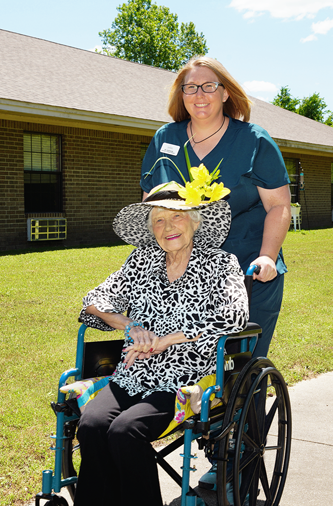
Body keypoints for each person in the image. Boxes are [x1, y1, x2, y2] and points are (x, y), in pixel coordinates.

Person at [74, 182, 249, 506]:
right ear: (150, 229)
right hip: (132, 373)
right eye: (158, 220)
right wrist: (130, 325)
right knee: (92, 425)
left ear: (195, 220)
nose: (168, 227)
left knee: (126, 431)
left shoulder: (221, 263)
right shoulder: (141, 261)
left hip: (183, 377)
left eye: (176, 216)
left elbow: (235, 314)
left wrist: (169, 339)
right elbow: (94, 301)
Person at [141, 56, 291, 362]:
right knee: (181, 366)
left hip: (247, 272)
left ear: (225, 93)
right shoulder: (165, 138)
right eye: (191, 87)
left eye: (209, 86)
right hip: (182, 276)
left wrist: (268, 255)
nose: (199, 94)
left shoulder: (253, 140)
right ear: (181, 94)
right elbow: (149, 205)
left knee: (238, 369)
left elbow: (278, 205)